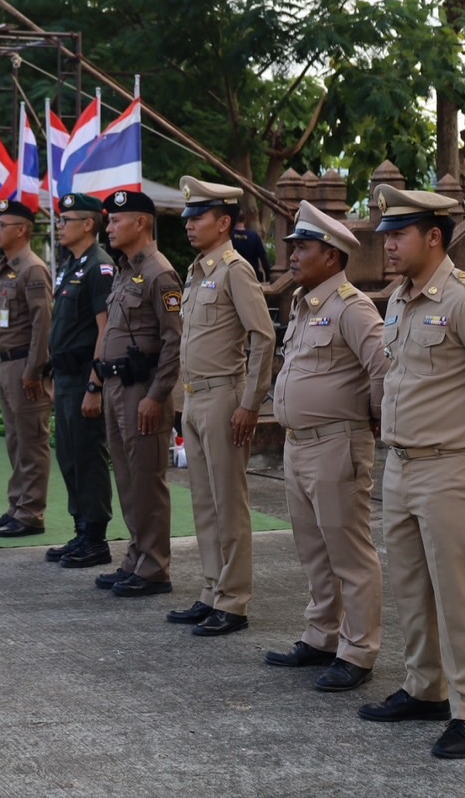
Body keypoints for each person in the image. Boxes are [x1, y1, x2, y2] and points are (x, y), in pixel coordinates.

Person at [357, 185, 465, 761]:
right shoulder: (399, 299)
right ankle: (425, 688)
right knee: (411, 586)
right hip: (403, 464)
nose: (387, 243)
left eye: (398, 234)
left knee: (459, 595)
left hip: (454, 467)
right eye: (386, 234)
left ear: (434, 237)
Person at [266, 200, 388, 691]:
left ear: (333, 256)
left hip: (337, 444)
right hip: (299, 445)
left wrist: (378, 421)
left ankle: (358, 651)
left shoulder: (352, 307)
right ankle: (321, 636)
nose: (292, 255)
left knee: (349, 553)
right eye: (293, 246)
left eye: (304, 248)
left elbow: (382, 367)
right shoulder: (304, 305)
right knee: (313, 549)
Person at [166, 177, 276, 636]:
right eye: (188, 218)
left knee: (229, 504)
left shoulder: (235, 269)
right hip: (194, 398)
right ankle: (211, 590)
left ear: (224, 223)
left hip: (224, 396)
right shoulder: (196, 271)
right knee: (205, 502)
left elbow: (263, 336)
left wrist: (251, 403)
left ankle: (234, 600)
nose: (190, 226)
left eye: (199, 218)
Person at [88, 190, 182, 598]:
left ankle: (155, 567)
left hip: (142, 391)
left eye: (115, 220)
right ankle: (136, 557)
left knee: (147, 480)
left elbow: (175, 342)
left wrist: (157, 396)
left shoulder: (160, 272)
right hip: (116, 387)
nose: (108, 227)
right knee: (127, 478)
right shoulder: (127, 270)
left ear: (141, 222)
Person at [46, 192, 117, 569]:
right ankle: (80, 529)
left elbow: (103, 331)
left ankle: (95, 538)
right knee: (69, 455)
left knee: (88, 456)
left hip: (85, 375)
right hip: (66, 374)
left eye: (66, 220)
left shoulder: (98, 267)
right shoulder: (71, 265)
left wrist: (95, 383)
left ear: (88, 224)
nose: (60, 226)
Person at [0, 199, 53, 539]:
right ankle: (17, 506)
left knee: (31, 441)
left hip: (25, 364)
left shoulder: (32, 268)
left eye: (2, 226)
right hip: (7, 362)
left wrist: (34, 369)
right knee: (15, 441)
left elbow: (43, 323)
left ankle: (30, 513)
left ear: (22, 230)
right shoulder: (9, 267)